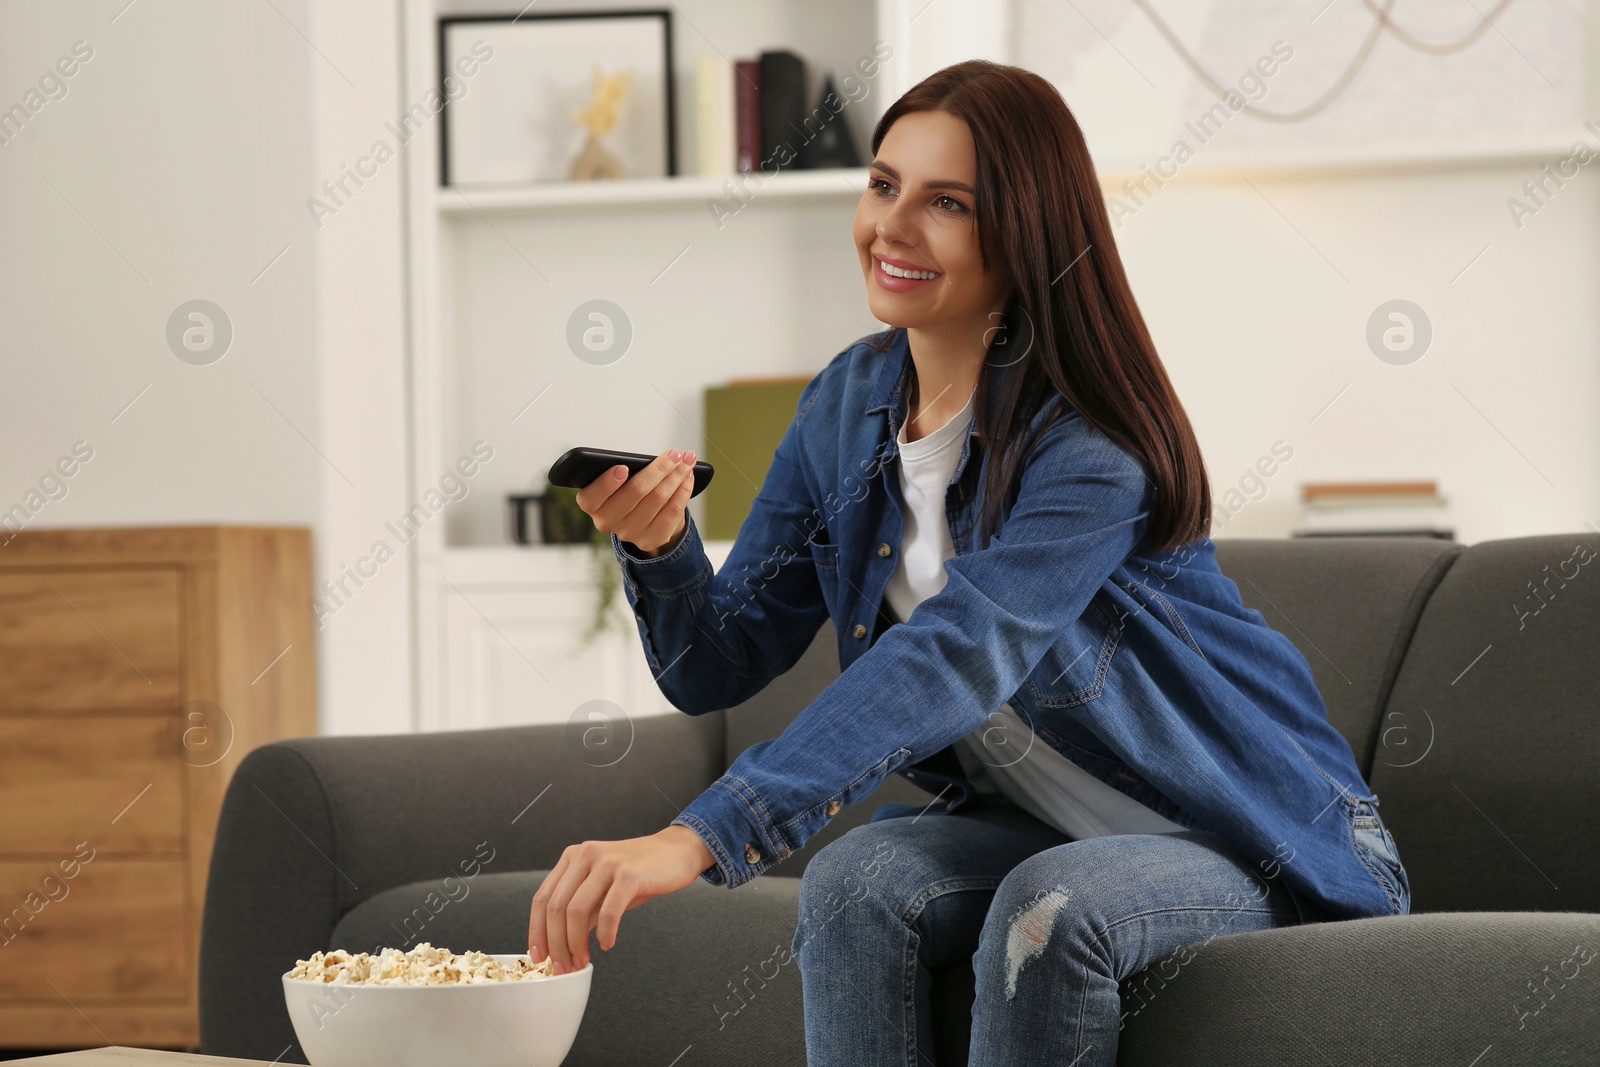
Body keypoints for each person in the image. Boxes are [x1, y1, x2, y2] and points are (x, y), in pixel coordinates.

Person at [527, 58, 1410, 1066]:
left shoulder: (1088, 449)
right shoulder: (843, 408)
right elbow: (715, 664)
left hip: (1258, 839)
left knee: (1052, 906)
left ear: (1025, 232)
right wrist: (660, 544)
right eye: (882, 184)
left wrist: (697, 834)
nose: (892, 225)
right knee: (855, 877)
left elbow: (956, 653)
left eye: (947, 202)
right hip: (1049, 832)